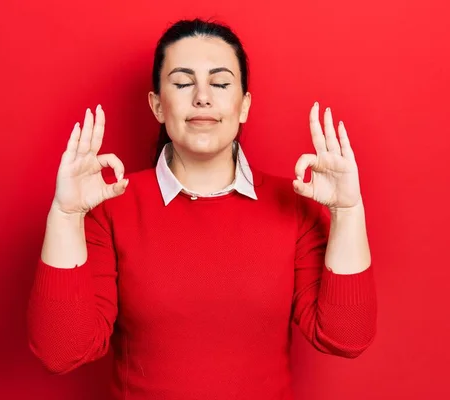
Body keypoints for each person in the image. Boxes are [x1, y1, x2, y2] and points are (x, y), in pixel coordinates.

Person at [27, 18, 377, 400]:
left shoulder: (292, 206)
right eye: (182, 83)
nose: (202, 97)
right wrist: (65, 216)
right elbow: (61, 352)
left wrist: (348, 211)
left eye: (221, 83)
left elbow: (346, 337)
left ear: (244, 105)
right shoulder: (110, 206)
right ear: (158, 105)